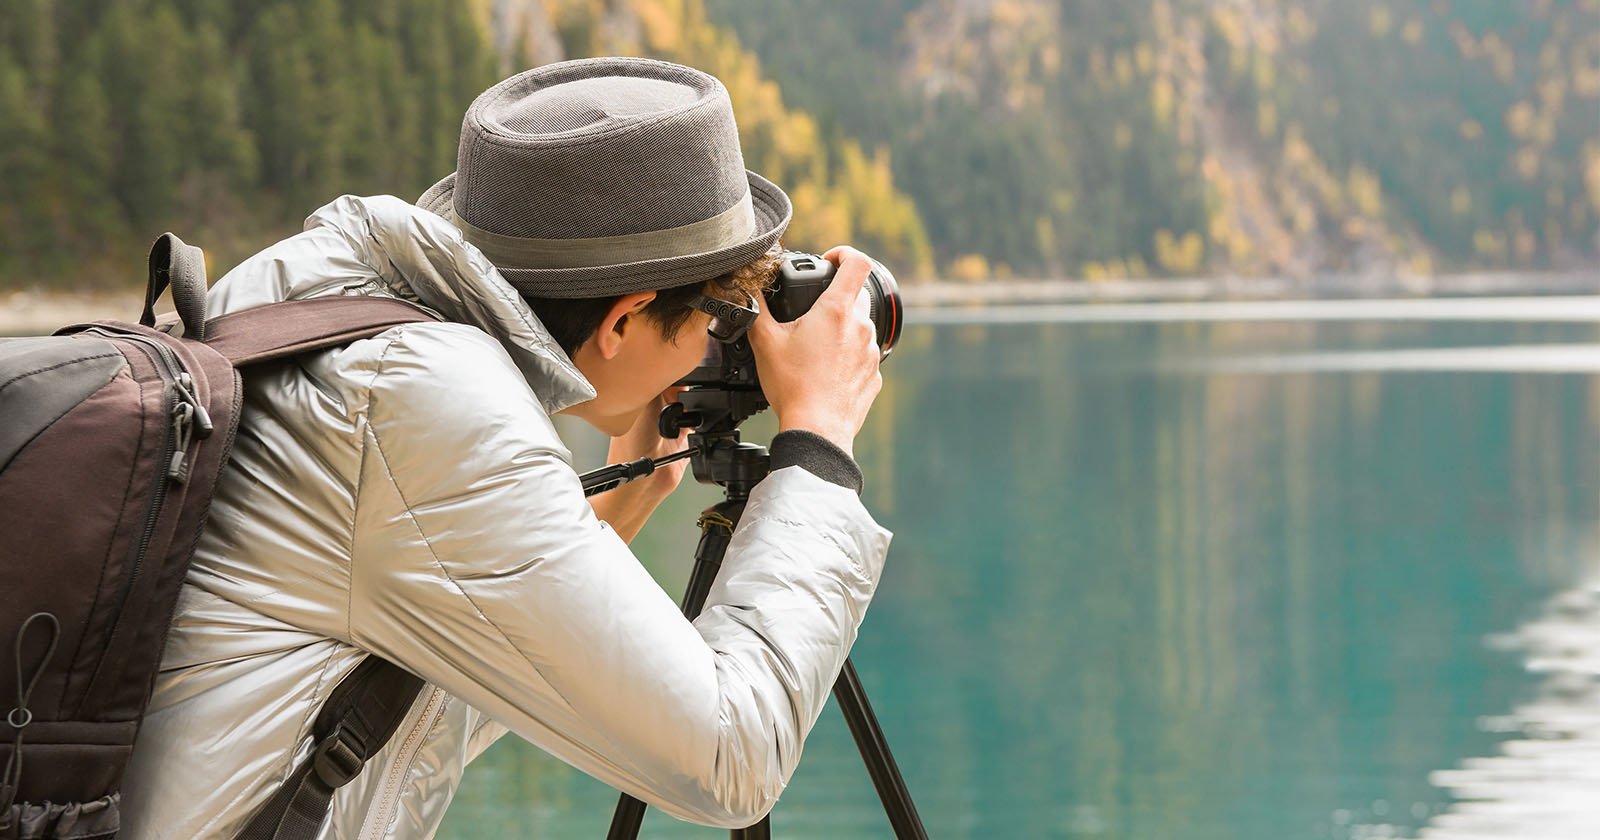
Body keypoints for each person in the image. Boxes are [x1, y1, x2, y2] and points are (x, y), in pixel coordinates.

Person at [120, 57, 891, 838]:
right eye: (715, 319)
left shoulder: (310, 292)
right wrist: (819, 442)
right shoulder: (423, 405)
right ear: (623, 322)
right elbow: (734, 759)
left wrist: (610, 517)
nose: (712, 348)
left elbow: (422, 679)